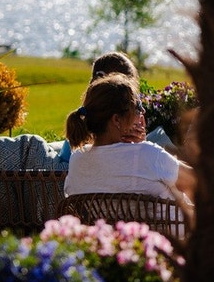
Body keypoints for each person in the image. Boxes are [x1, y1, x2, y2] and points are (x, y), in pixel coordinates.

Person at [63, 73, 195, 201]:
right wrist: (143, 147)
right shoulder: (147, 155)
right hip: (176, 223)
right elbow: (197, 182)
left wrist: (141, 146)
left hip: (105, 224)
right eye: (137, 107)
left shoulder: (77, 159)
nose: (143, 112)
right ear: (116, 120)